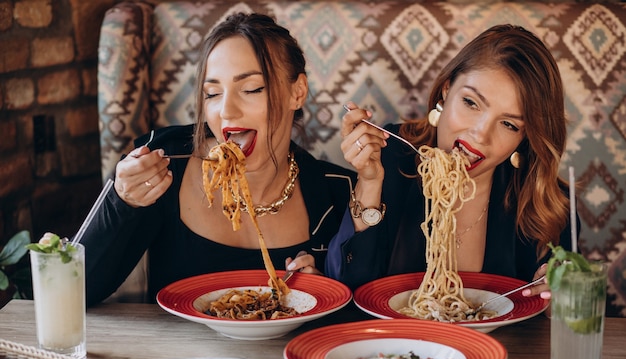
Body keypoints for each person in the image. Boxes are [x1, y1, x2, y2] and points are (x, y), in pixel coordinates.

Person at [82, 13, 356, 306]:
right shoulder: (162, 164)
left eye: (251, 89)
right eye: (212, 93)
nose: (226, 110)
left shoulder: (338, 192)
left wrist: (323, 293)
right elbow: (76, 293)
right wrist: (122, 202)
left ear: (297, 92)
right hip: (176, 351)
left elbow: (363, 313)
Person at [326, 24, 579, 298]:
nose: (480, 133)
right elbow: (347, 288)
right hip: (395, 341)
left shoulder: (550, 204)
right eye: (471, 103)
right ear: (446, 90)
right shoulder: (390, 154)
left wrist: (560, 297)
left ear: (526, 135)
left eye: (508, 123)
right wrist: (370, 182)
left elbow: (561, 315)